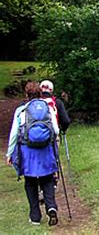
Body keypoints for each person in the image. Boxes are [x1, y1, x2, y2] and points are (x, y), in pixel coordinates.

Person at [5, 82, 60, 226]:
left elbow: (14, 134)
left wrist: (9, 153)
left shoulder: (21, 111)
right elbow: (55, 130)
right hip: (45, 150)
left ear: (26, 95)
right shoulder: (48, 108)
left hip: (27, 151)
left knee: (30, 182)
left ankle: (35, 216)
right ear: (40, 94)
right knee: (47, 179)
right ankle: (51, 206)